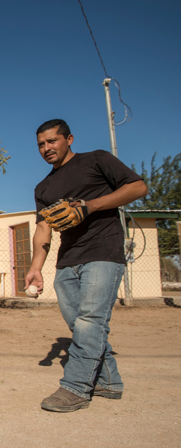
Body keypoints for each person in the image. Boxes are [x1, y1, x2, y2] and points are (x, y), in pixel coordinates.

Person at [25, 119, 148, 413]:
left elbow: (139, 187)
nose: (46, 148)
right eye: (41, 144)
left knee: (90, 321)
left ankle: (76, 388)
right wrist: (35, 268)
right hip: (67, 260)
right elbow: (43, 228)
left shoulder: (97, 160)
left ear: (69, 139)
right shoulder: (43, 187)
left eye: (52, 141)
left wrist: (89, 206)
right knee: (78, 325)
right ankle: (108, 381)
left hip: (103, 252)